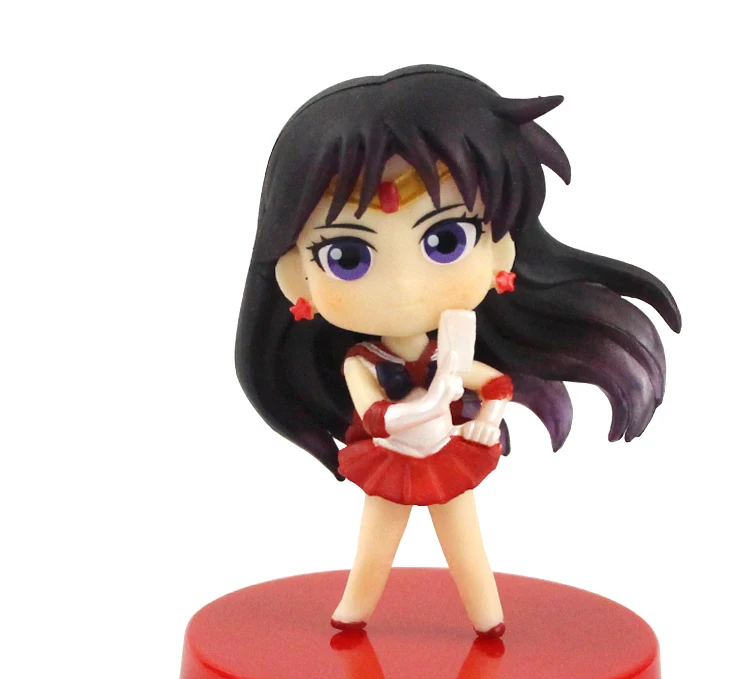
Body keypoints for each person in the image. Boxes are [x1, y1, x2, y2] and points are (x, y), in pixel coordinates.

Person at [235, 65, 681, 637]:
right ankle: (354, 609)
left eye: (445, 239)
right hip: (391, 453)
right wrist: (433, 399)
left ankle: (487, 616)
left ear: (500, 254)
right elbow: (376, 415)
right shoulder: (361, 362)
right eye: (348, 255)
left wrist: (486, 417)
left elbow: (495, 383)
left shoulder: (449, 348)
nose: (404, 287)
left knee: (463, 535)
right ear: (297, 279)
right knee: (377, 535)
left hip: (446, 452)